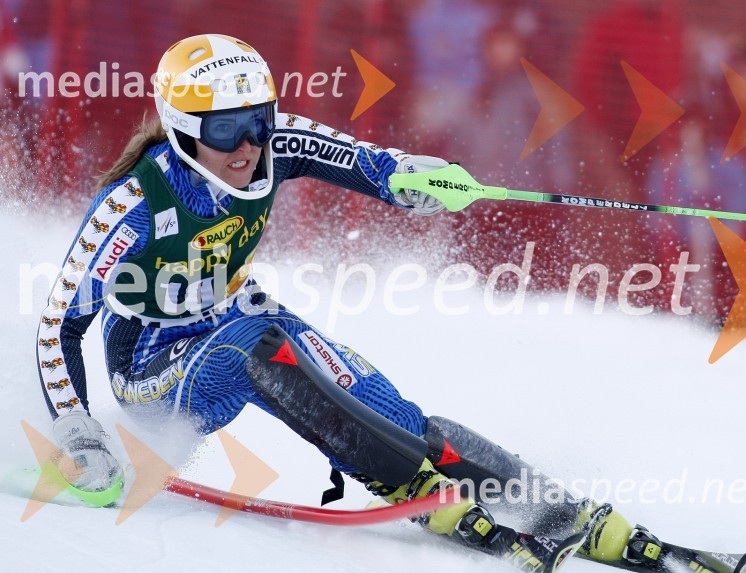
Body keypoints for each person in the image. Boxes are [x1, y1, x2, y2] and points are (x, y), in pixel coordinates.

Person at [37, 34, 662, 572]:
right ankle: (406, 484)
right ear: (182, 130)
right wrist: (78, 430)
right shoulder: (133, 206)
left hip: (239, 318)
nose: (250, 144)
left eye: (259, 120)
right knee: (252, 344)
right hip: (153, 368)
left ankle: (554, 508)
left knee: (392, 413)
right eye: (227, 128)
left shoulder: (273, 147)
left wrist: (418, 180)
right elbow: (57, 327)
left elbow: (367, 163)